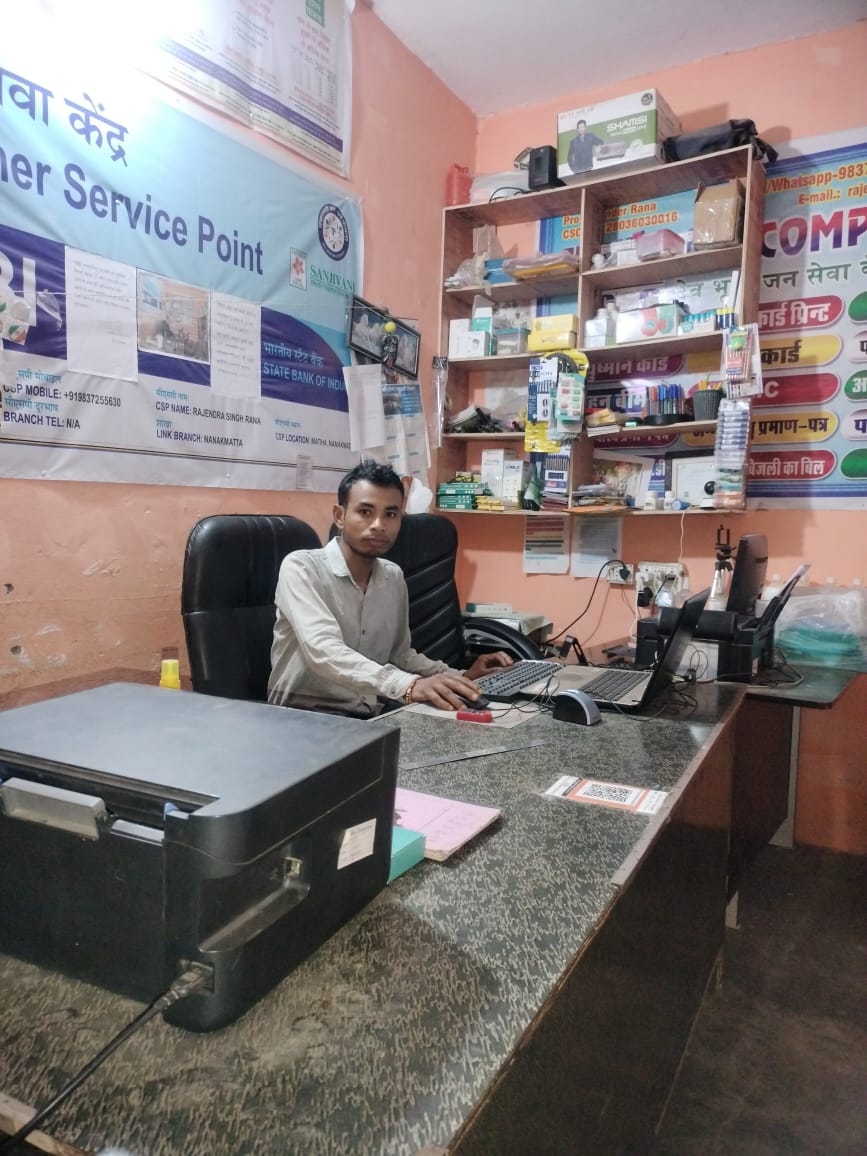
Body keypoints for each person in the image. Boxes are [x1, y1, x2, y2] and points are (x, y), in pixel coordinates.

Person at [268, 460, 513, 716]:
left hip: (369, 712)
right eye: (365, 512)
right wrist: (408, 685)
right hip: (302, 716)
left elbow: (401, 655)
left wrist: (461, 677)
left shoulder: (392, 576)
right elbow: (323, 650)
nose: (379, 524)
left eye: (391, 514)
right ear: (340, 516)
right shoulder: (301, 568)